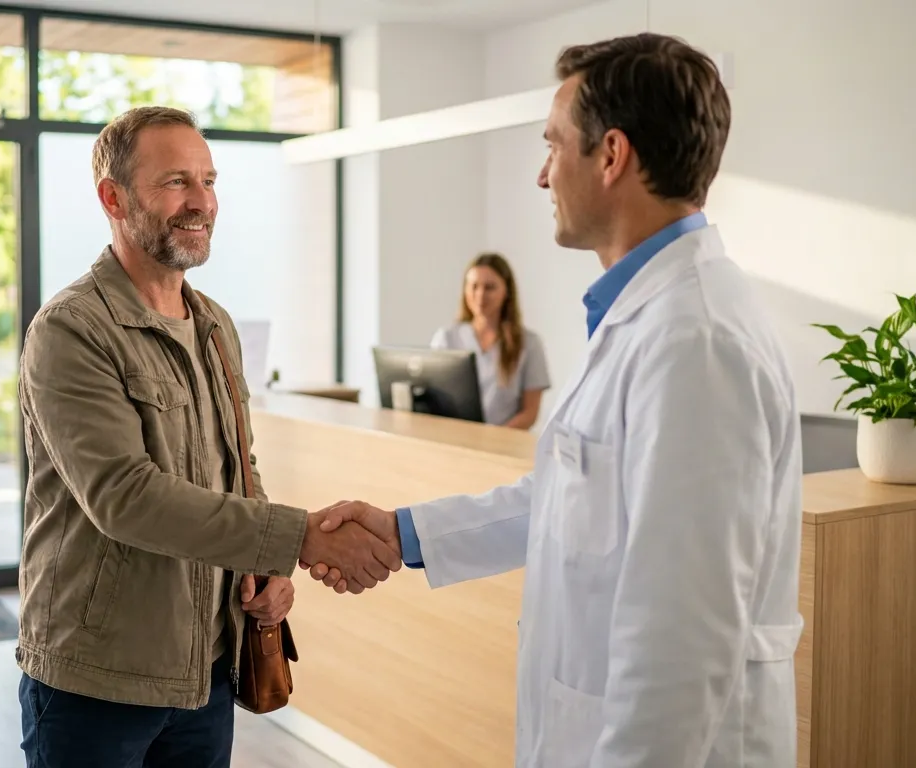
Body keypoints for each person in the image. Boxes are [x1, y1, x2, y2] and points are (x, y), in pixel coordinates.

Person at [308, 33, 803, 767]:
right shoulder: (645, 316)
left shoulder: (694, 340)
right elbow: (570, 499)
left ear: (611, 156)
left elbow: (682, 639)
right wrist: (405, 532)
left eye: (553, 145)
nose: (543, 177)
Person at [15, 105, 401, 768]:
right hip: (97, 680)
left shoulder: (215, 325)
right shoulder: (72, 330)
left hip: (208, 671)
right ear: (114, 197)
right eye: (176, 183)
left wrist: (268, 569)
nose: (201, 203)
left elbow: (238, 470)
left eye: (209, 181)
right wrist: (299, 535)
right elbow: (126, 497)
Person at [430, 253, 551, 429]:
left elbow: (530, 413)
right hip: (454, 441)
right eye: (474, 286)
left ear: (506, 291)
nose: (480, 295)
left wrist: (493, 439)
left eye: (490, 287)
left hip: (502, 446)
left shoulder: (529, 343)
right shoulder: (446, 338)